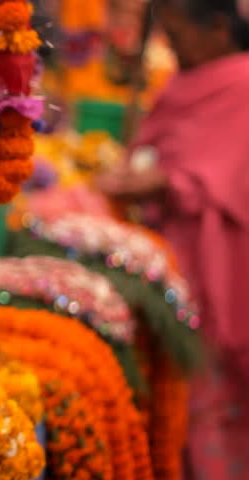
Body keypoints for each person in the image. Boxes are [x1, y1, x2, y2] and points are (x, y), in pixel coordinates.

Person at [97, 1, 249, 478]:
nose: (172, 45)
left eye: (177, 32)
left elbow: (230, 176)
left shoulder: (243, 82)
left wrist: (165, 183)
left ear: (219, 27)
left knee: (214, 387)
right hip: (172, 255)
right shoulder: (186, 81)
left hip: (221, 257)